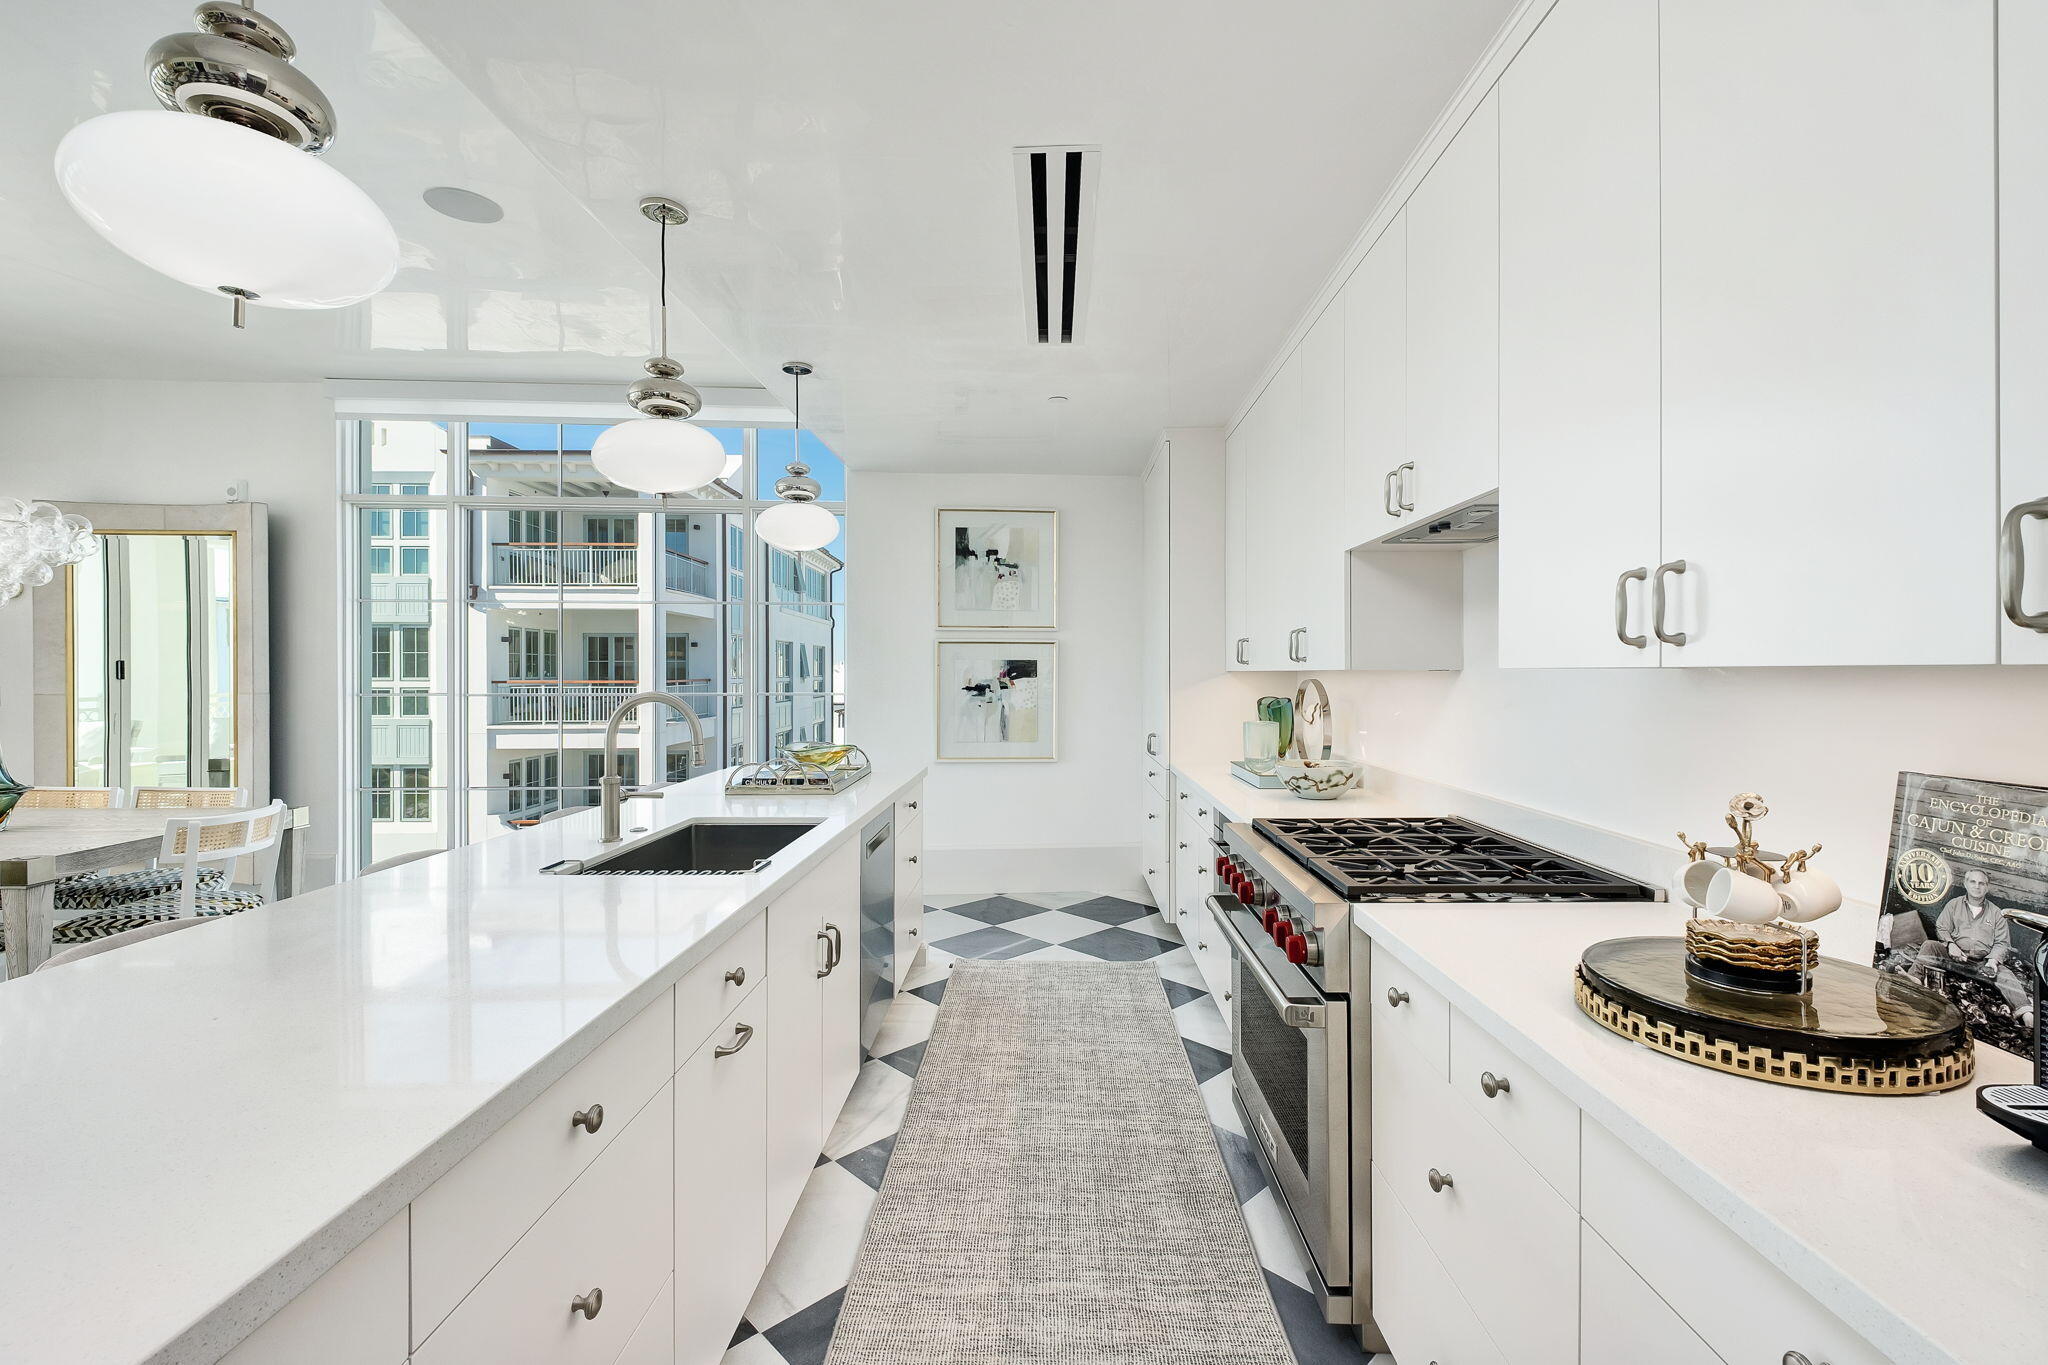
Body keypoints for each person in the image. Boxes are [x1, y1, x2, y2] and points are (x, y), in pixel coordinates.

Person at [1914, 869, 2036, 1032]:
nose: (1977, 886)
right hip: (1953, 957)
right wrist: (1950, 944)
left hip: (1981, 964)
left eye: (1981, 883)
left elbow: (2002, 943)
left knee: (2006, 974)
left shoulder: (1996, 913)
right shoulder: (1954, 905)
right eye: (1973, 882)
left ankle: (2024, 1011)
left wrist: (1992, 961)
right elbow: (1942, 927)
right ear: (1965, 884)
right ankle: (1913, 978)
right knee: (1929, 945)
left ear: (1987, 887)